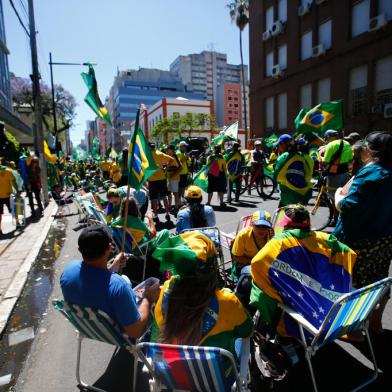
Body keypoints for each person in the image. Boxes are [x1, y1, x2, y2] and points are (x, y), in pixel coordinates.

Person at [250, 204, 356, 339]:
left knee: (260, 292)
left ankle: (269, 324)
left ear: (287, 225)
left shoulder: (280, 242)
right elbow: (349, 253)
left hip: (301, 317)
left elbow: (256, 263)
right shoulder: (324, 239)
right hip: (328, 314)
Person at [151, 231, 253, 358]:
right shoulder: (227, 300)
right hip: (218, 375)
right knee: (237, 339)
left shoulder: (167, 289)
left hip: (170, 372)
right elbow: (247, 330)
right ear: (213, 266)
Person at [333, 131, 392, 333]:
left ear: (370, 150)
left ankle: (355, 329)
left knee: (354, 284)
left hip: (359, 239)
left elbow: (349, 206)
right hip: (384, 239)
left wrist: (337, 198)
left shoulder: (371, 173)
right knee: (380, 280)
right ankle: (376, 324)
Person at [60, 225, 160, 339]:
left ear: (79, 249)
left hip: (92, 329)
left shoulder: (68, 270)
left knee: (125, 280)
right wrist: (148, 298)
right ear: (109, 247)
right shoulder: (118, 287)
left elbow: (94, 277)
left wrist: (114, 265)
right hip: (121, 334)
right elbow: (135, 332)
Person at [231, 210, 274, 282]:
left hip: (262, 263)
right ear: (252, 224)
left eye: (264, 226)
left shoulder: (270, 235)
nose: (261, 229)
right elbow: (236, 257)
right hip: (245, 264)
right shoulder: (243, 235)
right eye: (258, 226)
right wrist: (255, 262)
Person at [274, 137, 314, 207]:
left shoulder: (284, 156)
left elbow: (276, 177)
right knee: (301, 214)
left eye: (279, 145)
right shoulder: (304, 157)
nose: (278, 147)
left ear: (283, 144)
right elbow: (308, 175)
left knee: (283, 214)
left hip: (289, 194)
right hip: (305, 192)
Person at [321, 130, 353, 205]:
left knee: (333, 195)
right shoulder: (347, 144)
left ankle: (335, 214)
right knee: (343, 194)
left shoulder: (330, 145)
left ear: (328, 137)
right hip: (345, 173)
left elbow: (325, 161)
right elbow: (350, 159)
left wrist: (321, 158)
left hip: (334, 174)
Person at [148, 142, 173, 221]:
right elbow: (172, 160)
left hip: (152, 180)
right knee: (164, 197)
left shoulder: (146, 155)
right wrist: (165, 169)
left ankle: (156, 215)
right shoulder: (159, 153)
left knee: (154, 199)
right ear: (155, 147)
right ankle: (167, 213)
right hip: (161, 178)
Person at [0, 159, 18, 235]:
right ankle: (18, 223)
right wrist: (18, 191)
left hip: (5, 195)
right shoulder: (8, 171)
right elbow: (13, 181)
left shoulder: (8, 171)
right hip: (8, 194)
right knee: (13, 210)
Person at [165, 145, 182, 213]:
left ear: (172, 150)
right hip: (169, 178)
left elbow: (181, 168)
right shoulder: (168, 157)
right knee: (169, 192)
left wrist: (173, 174)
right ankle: (170, 206)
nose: (166, 151)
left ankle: (176, 208)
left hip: (174, 178)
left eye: (167, 149)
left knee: (175, 193)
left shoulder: (175, 157)